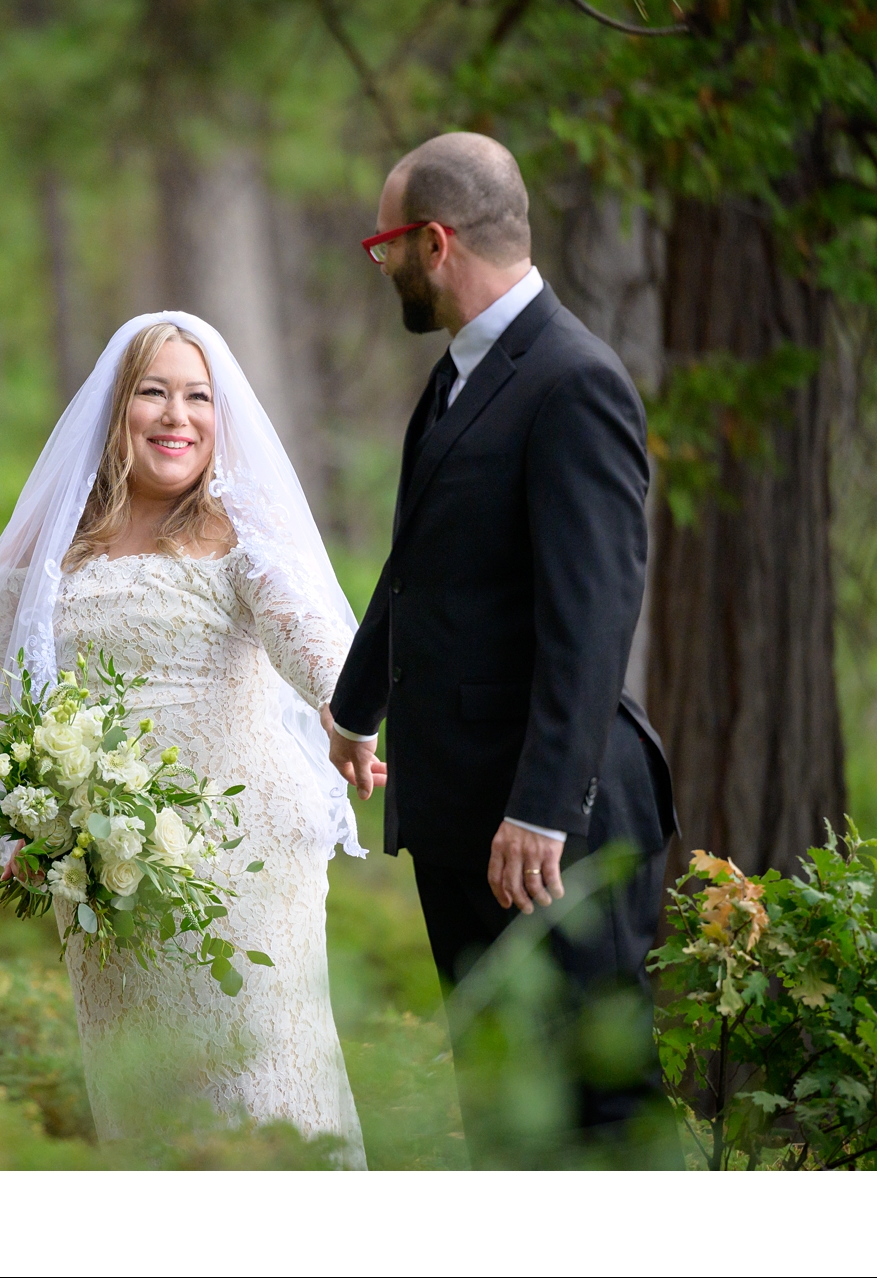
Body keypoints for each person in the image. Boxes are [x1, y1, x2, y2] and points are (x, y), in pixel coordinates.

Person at [324, 131, 679, 1162]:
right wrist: (355, 706)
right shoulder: (457, 379)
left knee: (597, 1114)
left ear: (433, 242)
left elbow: (592, 619)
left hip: (548, 828)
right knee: (505, 1115)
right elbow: (418, 562)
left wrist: (541, 809)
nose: (377, 262)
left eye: (383, 242)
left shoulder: (572, 381)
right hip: (462, 818)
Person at [0, 314, 367, 1166]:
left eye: (197, 396)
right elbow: (5, 682)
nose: (174, 415)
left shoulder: (243, 532)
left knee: (255, 1092)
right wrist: (24, 819)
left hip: (242, 864)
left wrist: (347, 717)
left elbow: (317, 649)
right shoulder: (53, 547)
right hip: (102, 872)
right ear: (117, 411)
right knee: (142, 1102)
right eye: (153, 392)